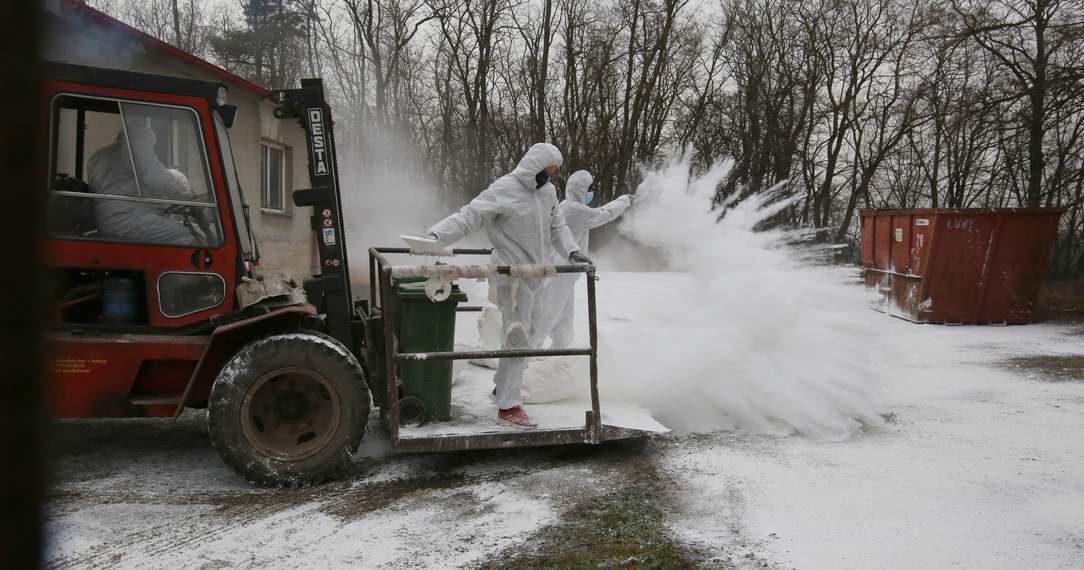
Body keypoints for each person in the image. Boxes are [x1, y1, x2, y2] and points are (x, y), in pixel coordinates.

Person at [425, 143, 591, 428]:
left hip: (537, 274)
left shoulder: (548, 192)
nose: (552, 175)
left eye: (554, 172)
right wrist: (435, 237)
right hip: (511, 275)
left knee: (536, 331)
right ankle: (509, 406)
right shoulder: (504, 188)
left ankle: (503, 386)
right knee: (517, 337)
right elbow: (470, 215)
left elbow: (558, 227)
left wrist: (572, 251)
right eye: (550, 169)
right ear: (536, 166)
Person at [534, 170, 632, 349]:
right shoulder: (574, 209)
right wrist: (624, 201)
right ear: (580, 189)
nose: (591, 192)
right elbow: (604, 213)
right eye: (589, 188)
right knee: (550, 310)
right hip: (562, 268)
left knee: (564, 311)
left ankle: (561, 346)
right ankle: (528, 351)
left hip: (564, 268)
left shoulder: (567, 205)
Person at [86, 125, 200, 245]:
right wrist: (182, 196)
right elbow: (154, 176)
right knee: (189, 236)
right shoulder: (136, 141)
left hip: (106, 220)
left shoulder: (97, 156)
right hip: (130, 218)